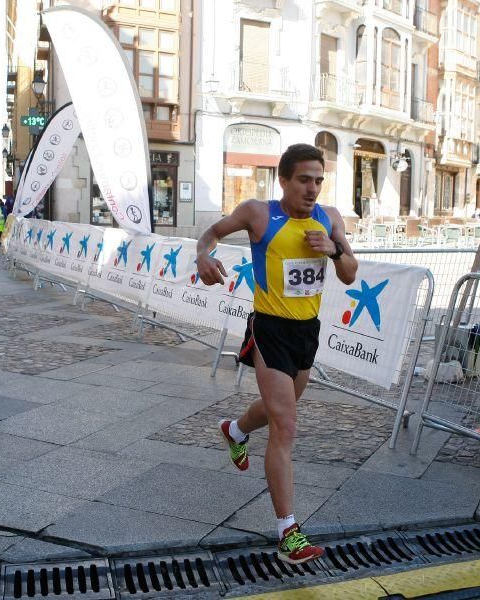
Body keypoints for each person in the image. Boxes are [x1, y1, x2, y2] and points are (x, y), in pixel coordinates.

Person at [196, 144, 358, 565]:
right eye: (304, 179)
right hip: (269, 329)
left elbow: (351, 271)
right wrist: (203, 256)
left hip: (307, 332)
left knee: (273, 412)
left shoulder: (330, 219)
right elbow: (211, 233)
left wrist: (335, 250)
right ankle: (288, 530)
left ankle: (234, 430)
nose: (313, 188)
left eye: (319, 180)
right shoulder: (258, 213)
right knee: (285, 424)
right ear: (283, 179)